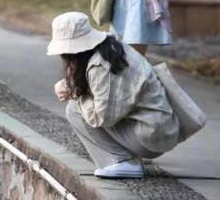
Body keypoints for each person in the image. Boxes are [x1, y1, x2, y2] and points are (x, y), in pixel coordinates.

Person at [48, 11, 180, 179]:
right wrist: (72, 84)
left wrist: (75, 93)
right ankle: (124, 160)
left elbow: (102, 118)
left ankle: (122, 161)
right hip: (158, 129)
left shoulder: (101, 66)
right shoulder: (111, 47)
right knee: (78, 106)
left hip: (151, 136)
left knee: (74, 110)